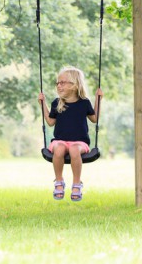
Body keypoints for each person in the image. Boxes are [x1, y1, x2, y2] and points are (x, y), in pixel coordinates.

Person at [38, 66, 103, 201]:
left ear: (74, 85)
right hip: (60, 141)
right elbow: (50, 122)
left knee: (74, 150)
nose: (59, 85)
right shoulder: (57, 103)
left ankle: (76, 183)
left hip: (80, 143)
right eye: (58, 83)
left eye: (63, 82)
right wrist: (42, 104)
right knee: (60, 149)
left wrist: (98, 100)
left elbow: (94, 118)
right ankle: (59, 181)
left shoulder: (84, 103)